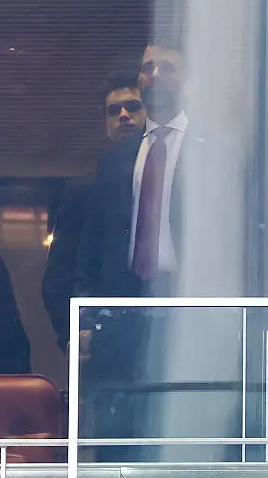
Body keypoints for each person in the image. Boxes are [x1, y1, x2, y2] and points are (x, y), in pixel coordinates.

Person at [72, 40, 192, 462]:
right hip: (122, 315)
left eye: (166, 68)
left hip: (186, 314)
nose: (153, 75)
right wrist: (85, 317)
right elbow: (93, 244)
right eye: (147, 68)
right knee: (117, 442)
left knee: (179, 433)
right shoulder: (117, 157)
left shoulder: (218, 152)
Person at [41, 70, 146, 349]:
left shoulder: (173, 181)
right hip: (102, 336)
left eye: (133, 107)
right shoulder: (82, 191)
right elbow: (58, 276)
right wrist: (73, 335)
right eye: (113, 111)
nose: (123, 115)